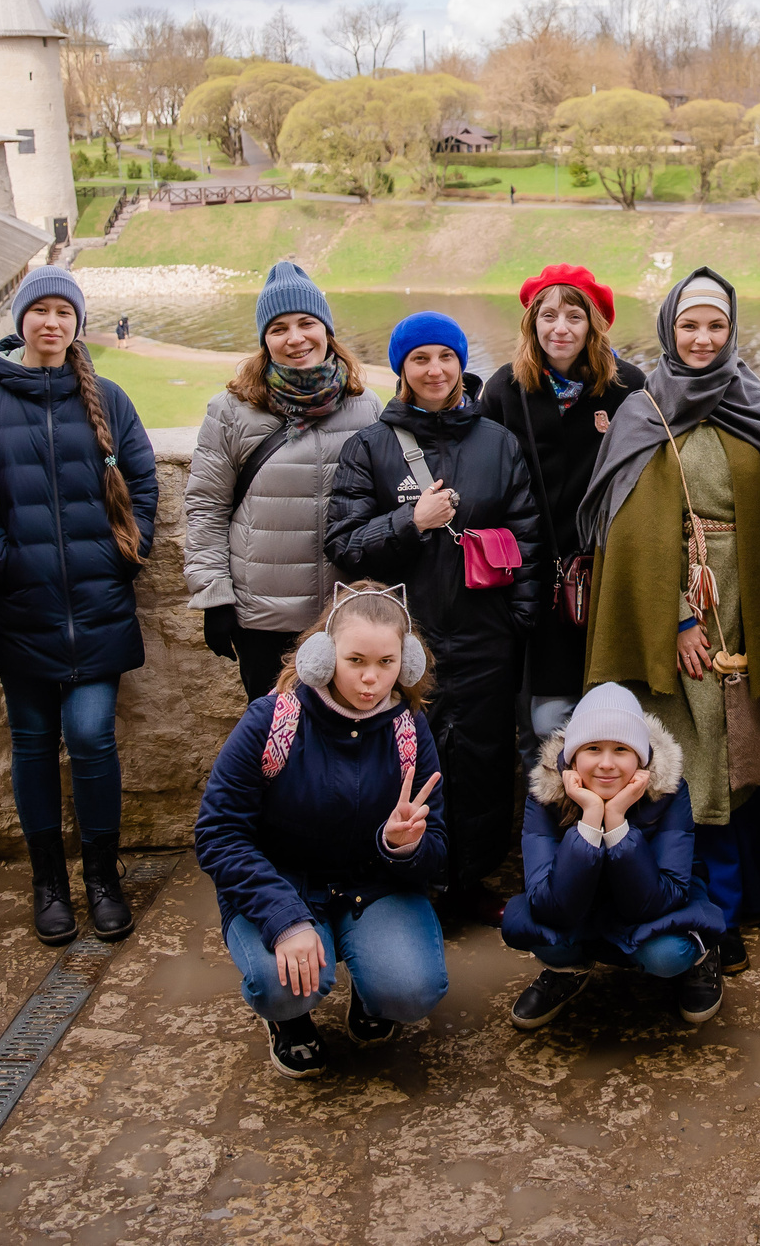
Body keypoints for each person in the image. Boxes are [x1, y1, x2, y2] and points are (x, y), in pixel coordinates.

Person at [578, 268, 760, 973]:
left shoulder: (757, 404)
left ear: (731, 330)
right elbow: (628, 530)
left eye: (715, 325)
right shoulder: (641, 409)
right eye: (689, 324)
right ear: (668, 329)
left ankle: (742, 892)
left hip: (748, 611)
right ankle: (708, 909)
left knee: (743, 757)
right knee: (691, 761)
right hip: (678, 618)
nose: (701, 337)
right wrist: (676, 618)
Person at [0, 266, 159, 948]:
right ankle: (49, 883)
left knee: (94, 735)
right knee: (33, 746)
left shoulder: (111, 398)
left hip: (96, 603)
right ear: (21, 320)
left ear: (77, 322)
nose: (51, 322)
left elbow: (144, 481)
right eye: (38, 310)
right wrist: (5, 559)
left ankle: (101, 877)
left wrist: (126, 550)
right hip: (22, 607)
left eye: (62, 311)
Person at [326, 312, 544, 926]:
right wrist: (409, 522)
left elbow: (526, 533)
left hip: (484, 635)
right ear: (401, 368)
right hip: (401, 640)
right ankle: (406, 878)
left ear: (460, 363)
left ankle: (467, 881)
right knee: (402, 761)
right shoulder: (368, 448)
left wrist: (519, 619)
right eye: (419, 359)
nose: (434, 370)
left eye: (445, 357)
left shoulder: (497, 443)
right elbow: (342, 544)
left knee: (480, 763)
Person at [193, 584, 450, 1078]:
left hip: (371, 886)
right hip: (281, 884)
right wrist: (283, 919)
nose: (371, 679)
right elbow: (219, 833)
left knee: (411, 990)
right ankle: (290, 1021)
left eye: (387, 662)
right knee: (284, 985)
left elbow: (438, 851)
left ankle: (374, 991)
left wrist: (404, 847)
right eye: (355, 660)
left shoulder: (410, 730)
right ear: (321, 655)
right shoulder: (273, 721)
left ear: (408, 662)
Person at [186, 261, 383, 703]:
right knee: (275, 741)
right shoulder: (232, 410)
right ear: (265, 341)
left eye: (306, 323)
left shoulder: (365, 407)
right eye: (278, 328)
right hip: (262, 619)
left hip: (343, 615)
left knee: (343, 736)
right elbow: (206, 507)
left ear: (326, 330)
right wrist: (214, 596)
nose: (295, 338)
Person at [479, 265, 648, 756]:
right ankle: (549, 810)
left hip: (608, 569)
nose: (560, 328)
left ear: (593, 325)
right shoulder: (506, 389)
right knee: (546, 711)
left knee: (613, 697)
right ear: (532, 324)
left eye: (574, 317)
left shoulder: (627, 387)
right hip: (537, 570)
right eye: (548, 316)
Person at [501, 682, 727, 1029]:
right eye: (593, 748)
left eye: (621, 749)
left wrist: (618, 821)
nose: (606, 764)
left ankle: (701, 961)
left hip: (652, 904)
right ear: (573, 756)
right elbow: (548, 904)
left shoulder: (670, 792)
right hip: (580, 905)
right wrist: (591, 818)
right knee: (539, 932)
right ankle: (567, 969)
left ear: (640, 757)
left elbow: (661, 900)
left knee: (666, 955)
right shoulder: (544, 795)